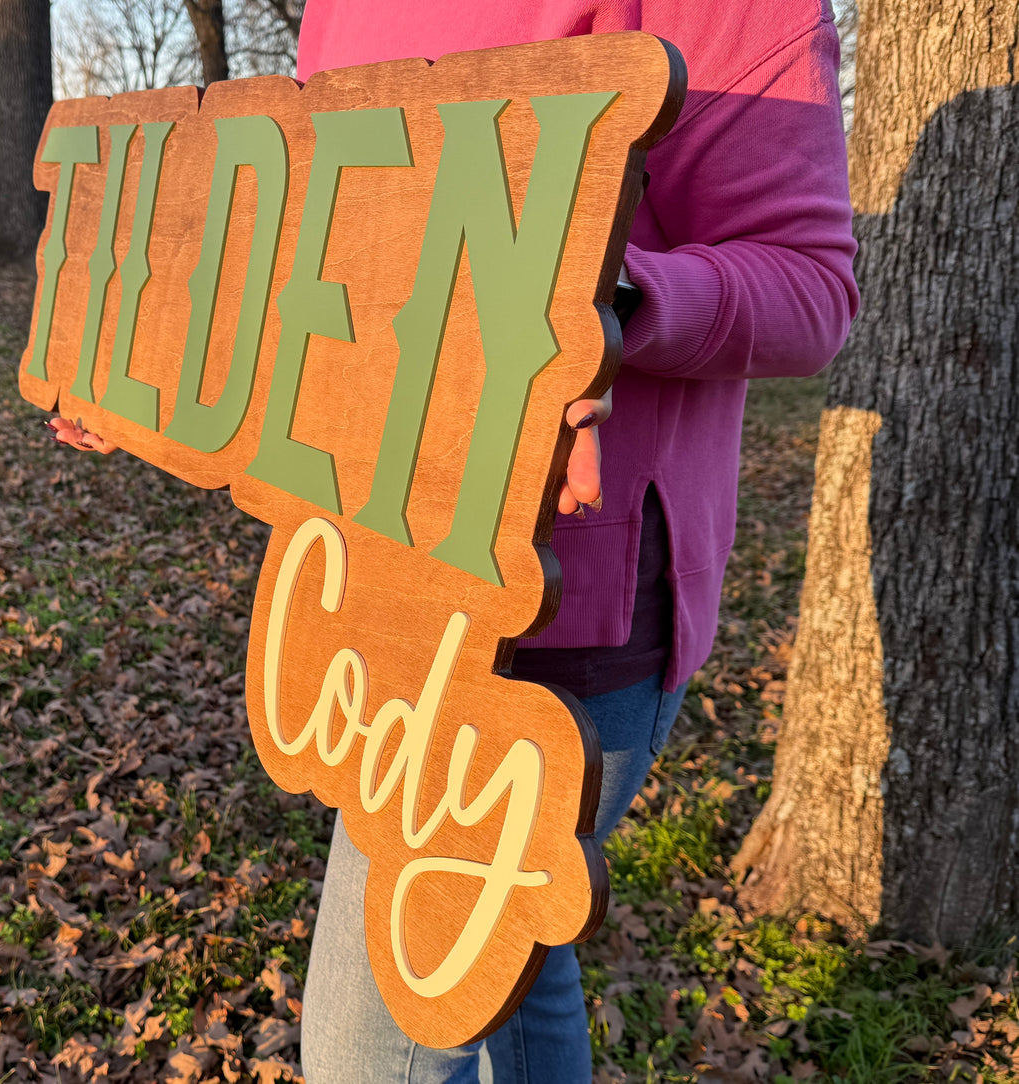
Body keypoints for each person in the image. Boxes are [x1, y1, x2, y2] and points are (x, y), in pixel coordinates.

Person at [50, 2, 859, 1079]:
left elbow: (809, 284)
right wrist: (143, 356)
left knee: (365, 1049)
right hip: (365, 574)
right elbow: (320, 250)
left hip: (559, 606)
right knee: (514, 964)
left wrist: (594, 306)